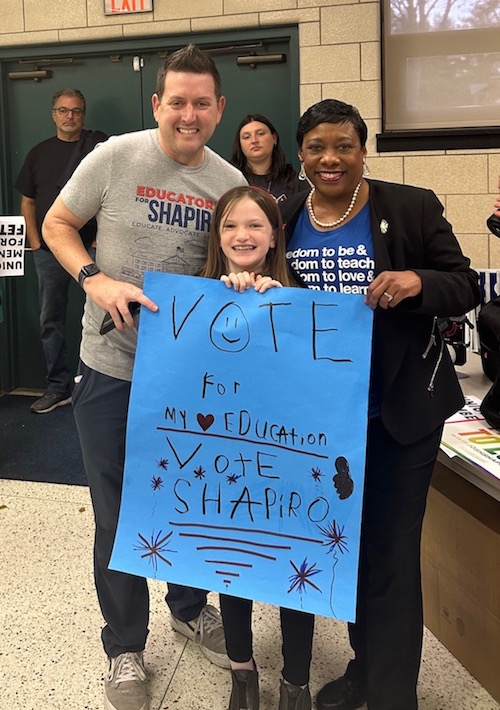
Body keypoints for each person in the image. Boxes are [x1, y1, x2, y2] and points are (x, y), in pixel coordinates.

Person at [42, 44, 247, 710]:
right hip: (109, 370)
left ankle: (188, 606)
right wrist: (92, 277)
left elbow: (239, 260)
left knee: (187, 502)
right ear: (158, 104)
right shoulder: (114, 157)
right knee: (117, 512)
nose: (189, 114)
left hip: (189, 380)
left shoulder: (226, 183)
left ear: (218, 109)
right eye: (177, 101)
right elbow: (58, 223)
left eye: (201, 103)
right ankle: (124, 646)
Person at [280, 99, 480, 710]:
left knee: (391, 555)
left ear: (363, 150)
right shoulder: (284, 211)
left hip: (396, 418)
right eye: (317, 147)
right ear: (302, 154)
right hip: (318, 425)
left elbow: (465, 283)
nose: (330, 159)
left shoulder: (408, 206)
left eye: (343, 145)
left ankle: (393, 695)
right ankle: (366, 670)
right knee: (347, 550)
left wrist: (418, 283)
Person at [201, 185, 313, 710]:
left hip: (288, 465)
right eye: (229, 226)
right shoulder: (201, 295)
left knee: (296, 572)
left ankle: (296, 680)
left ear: (274, 236)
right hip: (226, 469)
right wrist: (227, 301)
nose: (241, 236)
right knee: (231, 566)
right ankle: (242, 672)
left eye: (254, 226)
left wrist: (276, 306)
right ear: (217, 237)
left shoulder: (299, 297)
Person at [15, 89, 107, 414]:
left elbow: (114, 196)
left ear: (84, 115)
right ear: (53, 114)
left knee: (105, 318)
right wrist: (37, 242)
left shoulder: (100, 149)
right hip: (49, 252)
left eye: (76, 111)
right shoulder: (38, 153)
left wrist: (101, 238)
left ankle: (100, 388)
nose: (70, 116)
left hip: (93, 250)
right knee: (49, 319)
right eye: (63, 110)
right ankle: (58, 388)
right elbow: (27, 201)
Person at [231, 114, 308, 204]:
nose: (254, 140)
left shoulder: (293, 180)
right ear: (240, 144)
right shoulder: (231, 178)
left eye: (260, 134)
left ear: (274, 138)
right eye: (246, 137)